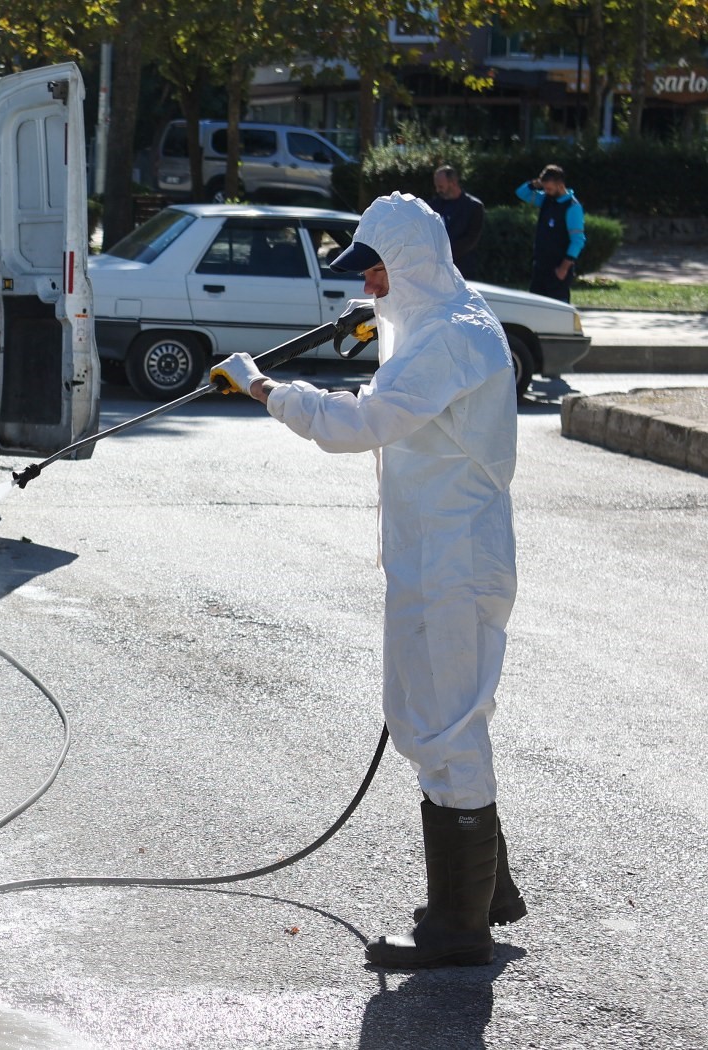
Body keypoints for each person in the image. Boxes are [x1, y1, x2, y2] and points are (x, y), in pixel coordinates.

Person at [209, 192, 525, 969]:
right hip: (443, 553)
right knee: (443, 720)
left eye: (375, 275)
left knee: (443, 729)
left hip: (451, 562)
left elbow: (357, 427)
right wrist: (376, 327)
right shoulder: (448, 315)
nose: (367, 289)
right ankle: (488, 893)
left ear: (412, 265)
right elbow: (413, 362)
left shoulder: (445, 338)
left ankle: (459, 932)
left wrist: (263, 388)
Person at [516, 164, 586, 302]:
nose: (546, 191)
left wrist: (563, 268)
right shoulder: (546, 199)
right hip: (541, 266)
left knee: (557, 309)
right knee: (535, 306)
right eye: (544, 188)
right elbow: (521, 193)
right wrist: (537, 183)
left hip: (558, 268)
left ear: (560, 184)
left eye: (549, 188)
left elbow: (578, 240)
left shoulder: (572, 207)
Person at [428, 165, 484, 279]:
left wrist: (445, 254)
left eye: (441, 186)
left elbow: (471, 239)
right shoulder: (433, 206)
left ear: (452, 183)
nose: (438, 190)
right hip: (435, 267)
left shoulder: (473, 207)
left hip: (462, 267)